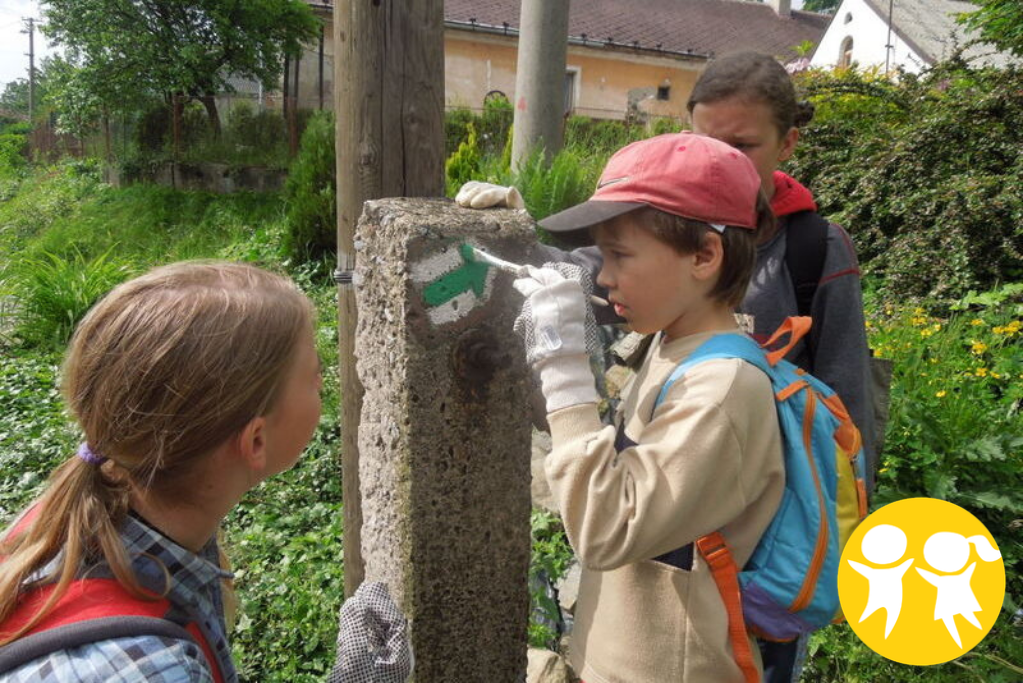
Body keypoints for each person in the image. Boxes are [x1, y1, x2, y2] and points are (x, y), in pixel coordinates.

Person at [0, 262, 412, 683]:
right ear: (255, 441)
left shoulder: (63, 519)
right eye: (314, 377)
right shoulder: (146, 673)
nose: (323, 380)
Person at [511, 132, 784, 682]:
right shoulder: (672, 340)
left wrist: (562, 361)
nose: (603, 275)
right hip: (622, 654)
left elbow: (603, 528)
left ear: (705, 255)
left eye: (619, 254)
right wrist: (518, 243)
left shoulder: (723, 388)